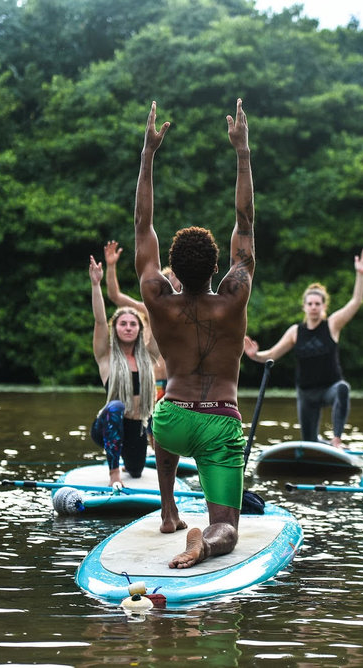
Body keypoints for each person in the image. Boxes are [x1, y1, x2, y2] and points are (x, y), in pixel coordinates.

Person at [135, 99, 254, 569]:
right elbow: (245, 223)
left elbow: (143, 225)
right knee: (228, 527)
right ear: (218, 268)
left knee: (162, 416)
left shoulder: (158, 299)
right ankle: (205, 540)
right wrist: (242, 154)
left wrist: (148, 155)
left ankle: (168, 510)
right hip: (221, 421)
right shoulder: (233, 297)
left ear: (174, 273)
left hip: (173, 419)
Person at [244, 250, 363, 448]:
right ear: (304, 307)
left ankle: (336, 440)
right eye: (310, 303)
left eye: (317, 304)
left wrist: (361, 274)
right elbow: (272, 355)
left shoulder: (332, 325)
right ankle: (323, 444)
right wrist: (254, 355)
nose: (313, 307)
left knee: (343, 389)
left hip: (330, 388)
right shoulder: (296, 331)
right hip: (306, 394)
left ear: (323, 306)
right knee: (309, 443)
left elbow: (355, 302)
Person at [88, 254, 158, 487]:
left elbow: (160, 321)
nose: (128, 327)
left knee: (137, 472)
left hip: (137, 425)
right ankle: (114, 474)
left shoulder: (148, 356)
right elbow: (99, 320)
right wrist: (96, 284)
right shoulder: (105, 356)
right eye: (123, 323)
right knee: (116, 406)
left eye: (133, 324)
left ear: (140, 329)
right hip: (109, 423)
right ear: (115, 328)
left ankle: (128, 464)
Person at [103, 239, 178, 401]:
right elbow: (115, 295)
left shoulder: (186, 312)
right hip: (152, 380)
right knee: (147, 423)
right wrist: (111, 266)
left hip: (177, 384)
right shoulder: (149, 309)